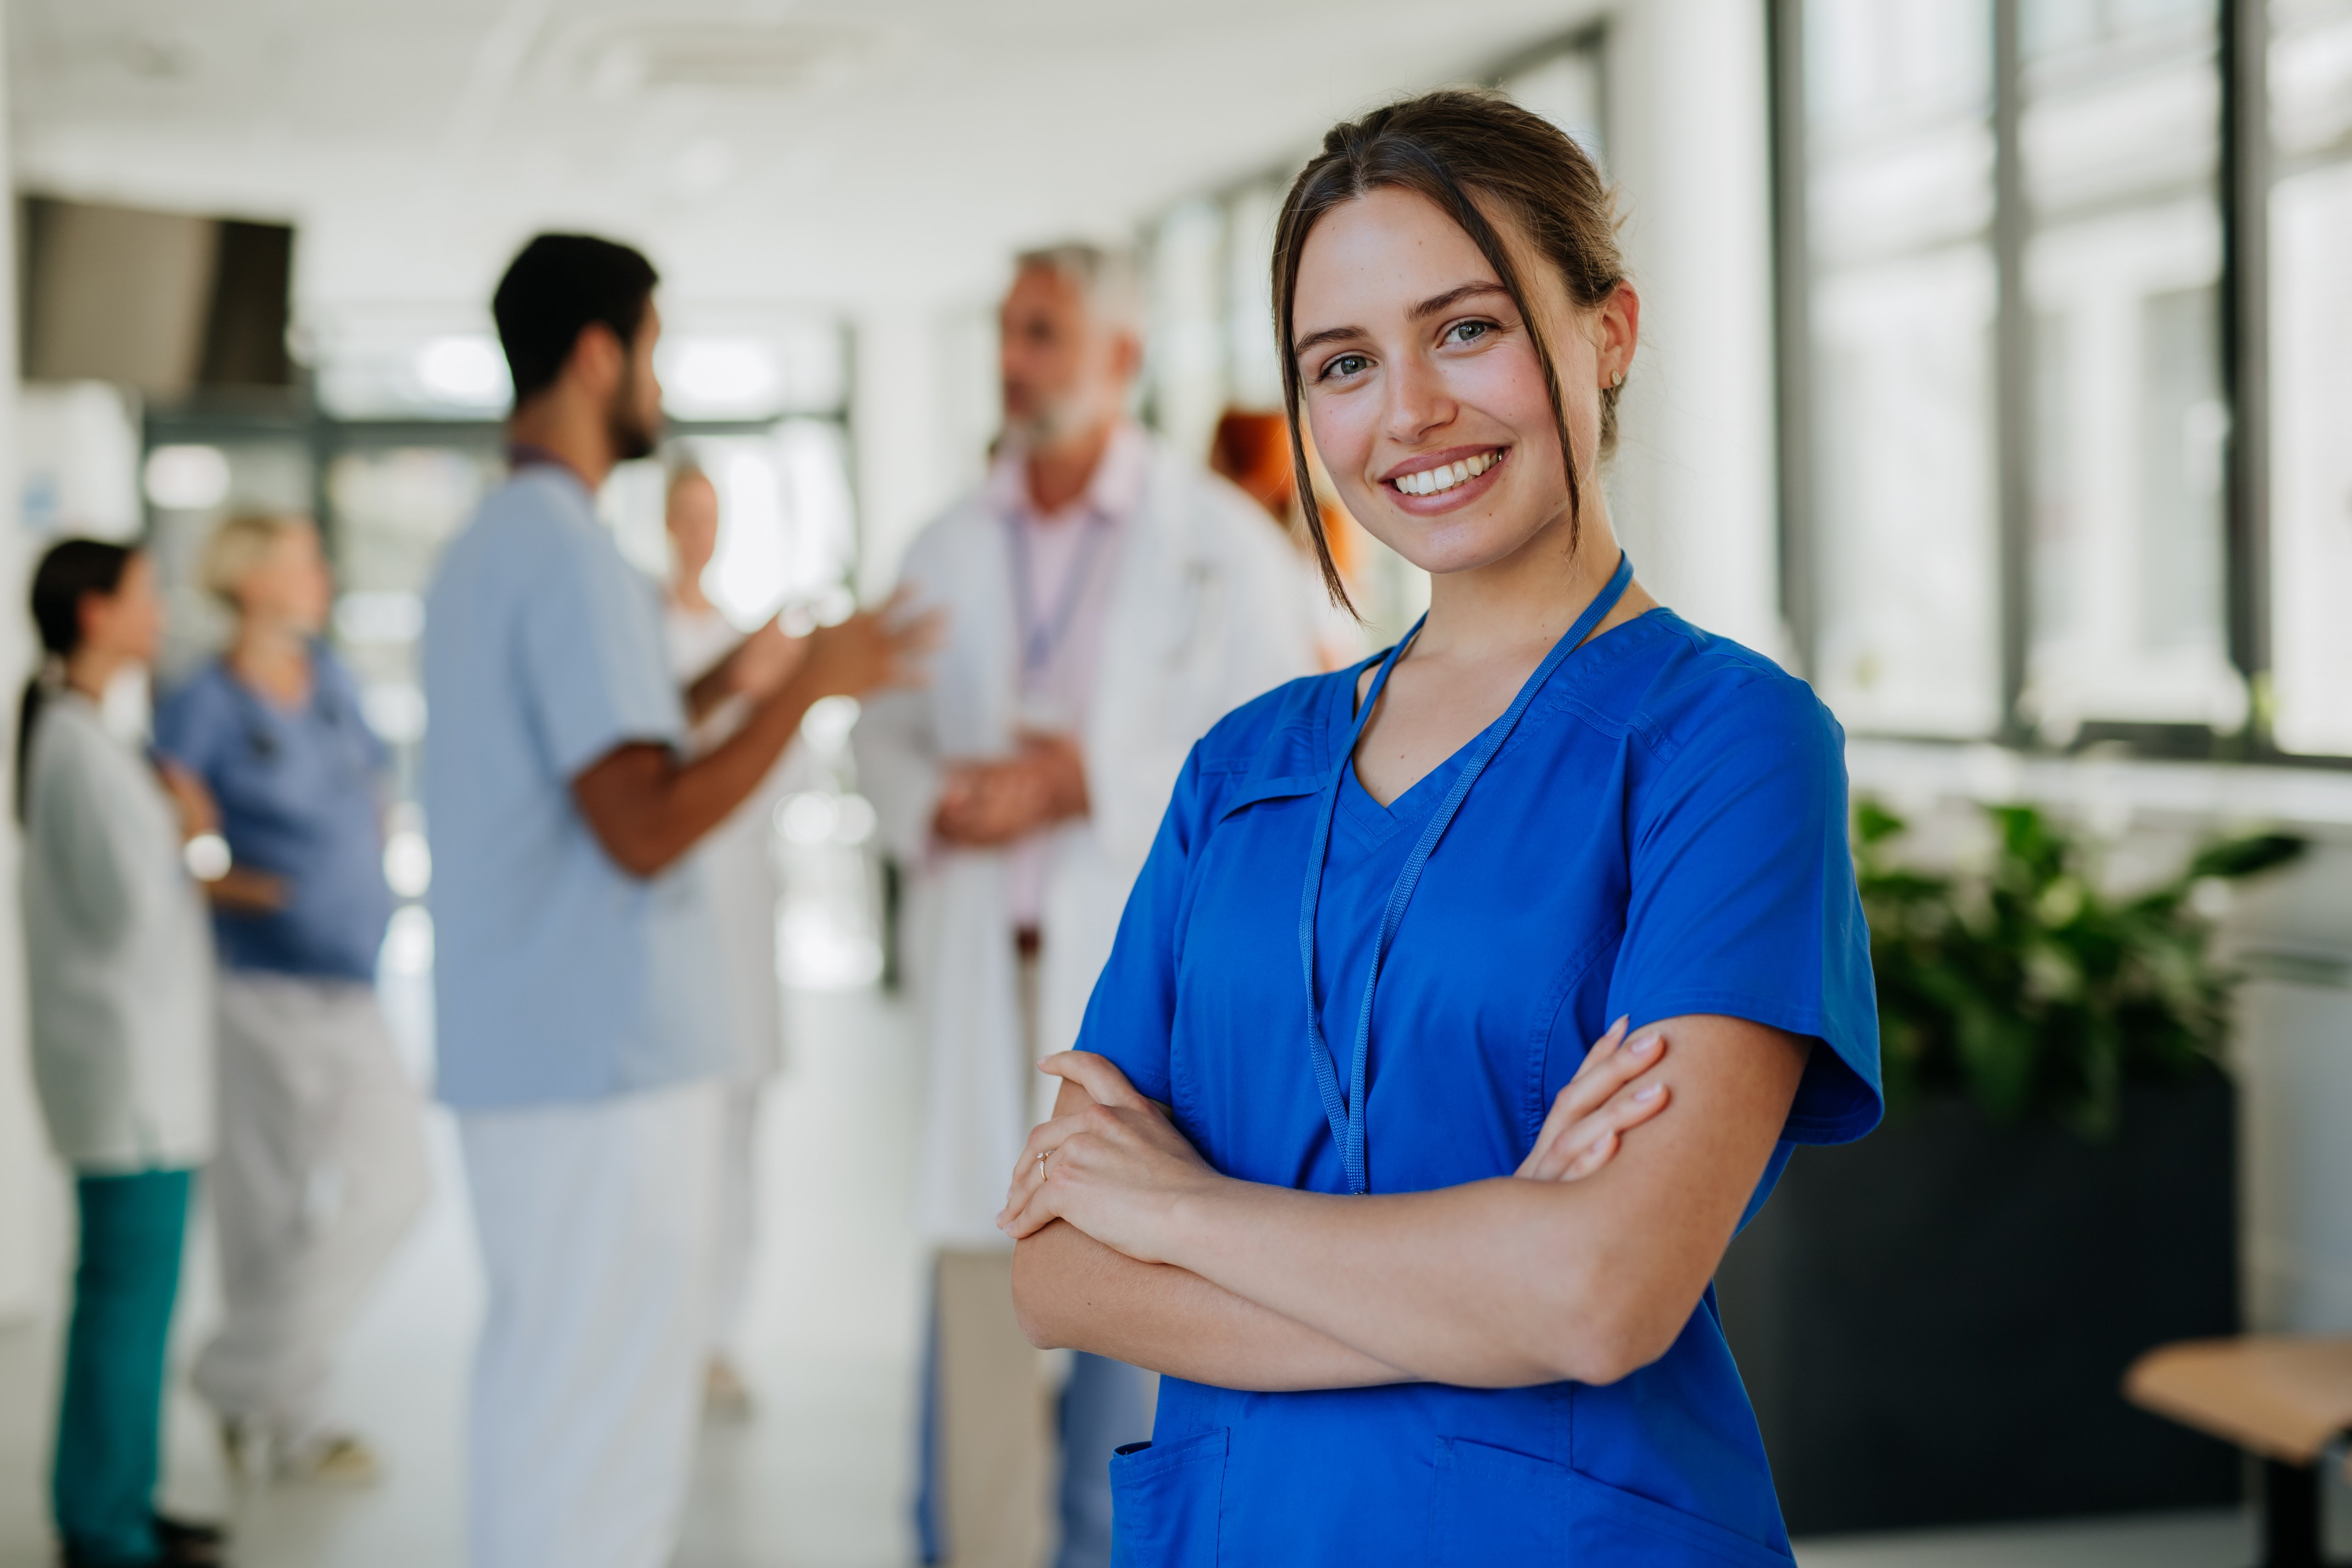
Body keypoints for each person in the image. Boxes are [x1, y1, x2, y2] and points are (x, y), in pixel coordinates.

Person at [999, 91, 1881, 1566]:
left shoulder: (1727, 745)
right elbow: (1061, 1273)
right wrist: (1495, 1265)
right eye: (1343, 363)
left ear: (1607, 333)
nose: (1407, 412)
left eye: (1463, 329)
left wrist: (1179, 1211)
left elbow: (1605, 1294)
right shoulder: (1242, 771)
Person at [422, 233, 931, 1568]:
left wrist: (729, 692)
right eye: (652, 348)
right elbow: (642, 823)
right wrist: (816, 683)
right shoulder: (572, 557)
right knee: (606, 1430)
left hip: (530, 1054)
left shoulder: (492, 544)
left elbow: (589, 759)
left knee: (544, 1401)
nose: (660, 379)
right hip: (603, 1066)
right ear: (598, 355)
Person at [853, 243, 1318, 1568]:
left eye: (1043, 333)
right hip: (977, 969)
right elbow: (880, 737)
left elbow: (1279, 758)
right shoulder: (942, 544)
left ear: (1119, 359)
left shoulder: (1217, 547)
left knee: (1132, 1312)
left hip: (1134, 988)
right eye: (1008, 331)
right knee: (974, 1297)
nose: (1015, 359)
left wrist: (1080, 781)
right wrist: (935, 800)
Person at [151, 512, 429, 1485]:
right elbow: (163, 818)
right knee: (264, 1207)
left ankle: (236, 1374)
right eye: (304, 560)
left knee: (398, 1184)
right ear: (256, 577)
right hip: (259, 982)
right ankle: (290, 1418)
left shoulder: (332, 681)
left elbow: (374, 786)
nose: (322, 574)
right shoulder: (206, 699)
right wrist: (232, 880)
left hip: (352, 978)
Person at [19, 540, 229, 1568]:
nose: (162, 612)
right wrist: (184, 831)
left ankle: (125, 1502)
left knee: (135, 1311)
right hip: (128, 1088)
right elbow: (126, 913)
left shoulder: (87, 737)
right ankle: (104, 1527)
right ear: (96, 613)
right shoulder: (77, 746)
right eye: (147, 595)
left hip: (135, 1081)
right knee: (124, 1312)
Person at [659, 461, 796, 1416]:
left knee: (740, 1126)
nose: (696, 531)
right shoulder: (642, 638)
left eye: (710, 516)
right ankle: (668, 1325)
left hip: (743, 903)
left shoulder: (751, 643)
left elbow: (780, 769)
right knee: (677, 1129)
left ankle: (717, 1332)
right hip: (671, 909)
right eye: (684, 514)